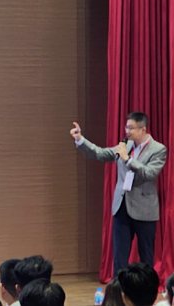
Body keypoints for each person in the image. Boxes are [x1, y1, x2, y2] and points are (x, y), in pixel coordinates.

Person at [70, 113, 167, 273]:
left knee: (146, 257)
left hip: (144, 210)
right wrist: (80, 139)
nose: (127, 131)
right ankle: (119, 286)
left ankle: (145, 286)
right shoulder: (125, 145)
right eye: (126, 127)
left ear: (143, 129)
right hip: (122, 207)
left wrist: (128, 159)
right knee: (119, 257)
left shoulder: (158, 149)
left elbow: (149, 173)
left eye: (131, 128)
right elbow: (101, 153)